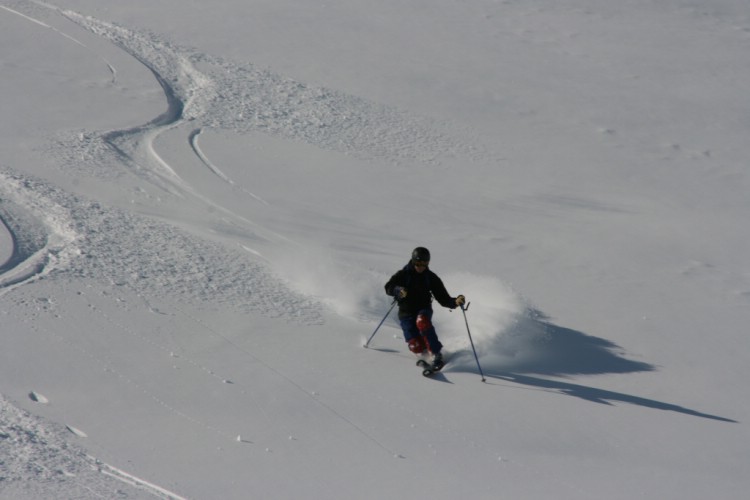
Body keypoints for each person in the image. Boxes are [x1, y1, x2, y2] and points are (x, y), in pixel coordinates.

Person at [384, 247, 465, 369]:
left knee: (422, 321)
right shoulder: (402, 274)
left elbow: (443, 298)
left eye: (424, 263)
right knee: (414, 344)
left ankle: (436, 354)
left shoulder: (430, 277)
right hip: (406, 312)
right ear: (412, 261)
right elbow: (388, 287)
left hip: (423, 308)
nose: (421, 267)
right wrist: (398, 290)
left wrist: (455, 302)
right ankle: (424, 355)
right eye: (418, 263)